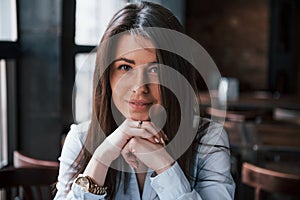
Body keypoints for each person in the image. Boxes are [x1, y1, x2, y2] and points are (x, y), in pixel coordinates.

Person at [54, 1, 235, 199]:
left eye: (155, 69)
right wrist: (102, 156)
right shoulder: (81, 139)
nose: (140, 87)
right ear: (107, 76)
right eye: (125, 67)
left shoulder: (208, 140)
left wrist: (163, 163)